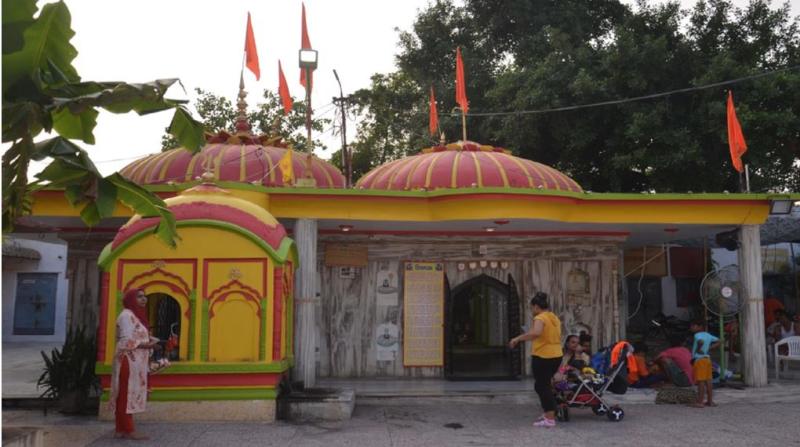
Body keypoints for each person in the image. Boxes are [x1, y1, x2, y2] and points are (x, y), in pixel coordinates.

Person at [109, 289, 159, 440]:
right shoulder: (126, 316)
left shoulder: (135, 316)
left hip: (136, 362)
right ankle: (129, 430)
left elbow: (137, 337)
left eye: (145, 296)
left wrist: (150, 342)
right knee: (126, 394)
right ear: (130, 299)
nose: (144, 299)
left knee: (125, 394)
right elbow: (125, 341)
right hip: (128, 361)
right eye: (139, 296)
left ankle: (120, 429)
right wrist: (148, 345)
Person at [509, 292, 563, 428]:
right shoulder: (553, 317)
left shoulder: (540, 317)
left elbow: (536, 333)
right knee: (544, 385)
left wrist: (518, 338)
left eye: (531, 308)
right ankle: (550, 411)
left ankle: (550, 418)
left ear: (536, 306)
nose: (531, 311)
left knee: (542, 386)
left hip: (543, 356)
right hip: (556, 354)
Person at [689, 320, 719, 408]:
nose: (691, 328)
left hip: (700, 360)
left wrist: (699, 349)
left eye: (693, 325)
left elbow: (700, 341)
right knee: (708, 381)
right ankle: (710, 401)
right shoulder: (708, 335)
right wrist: (710, 348)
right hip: (707, 359)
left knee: (701, 381)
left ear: (700, 326)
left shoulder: (697, 335)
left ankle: (700, 402)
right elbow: (720, 341)